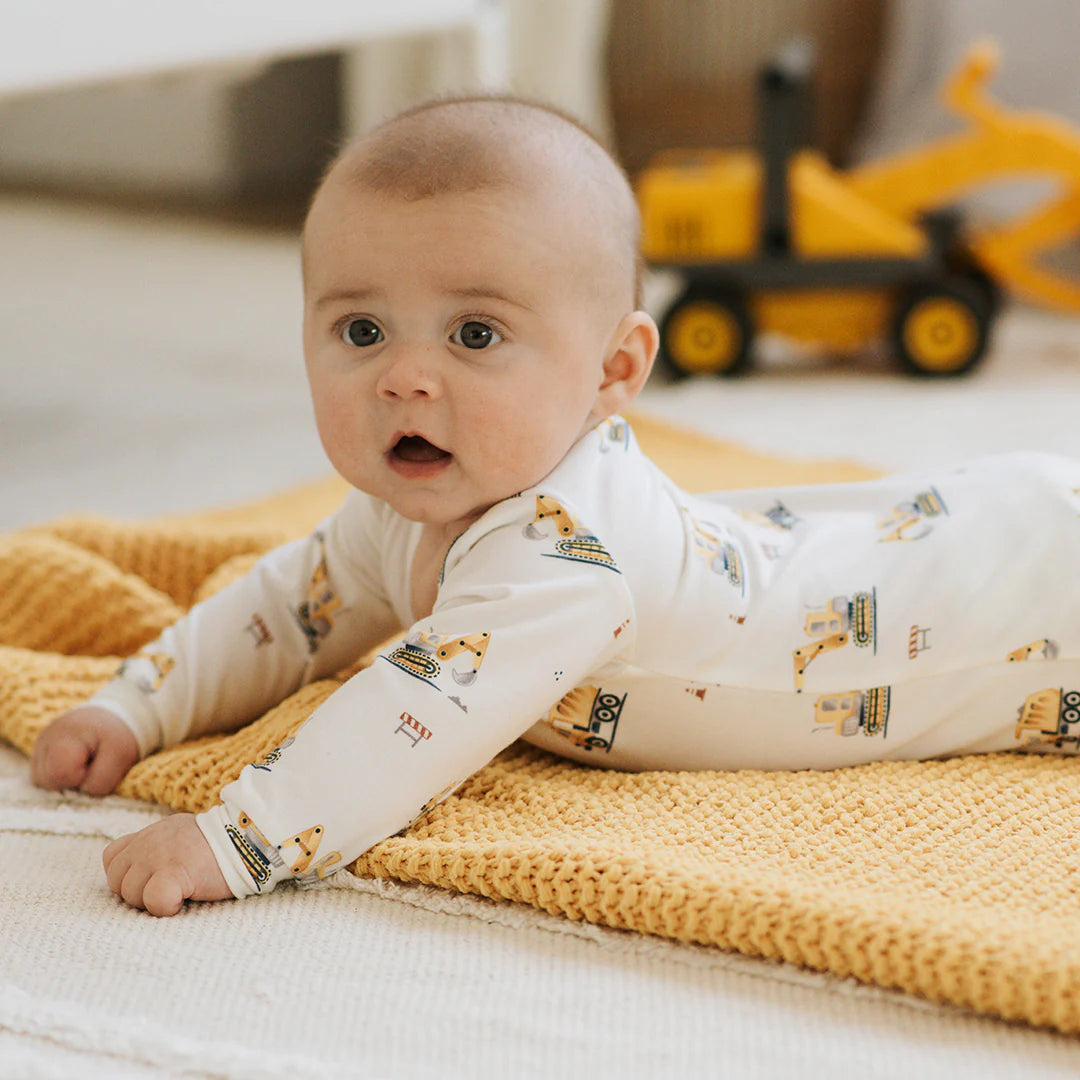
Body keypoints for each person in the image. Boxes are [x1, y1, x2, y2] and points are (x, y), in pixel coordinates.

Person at [30, 95, 1080, 918]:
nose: (405, 379)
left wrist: (235, 839)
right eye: (361, 333)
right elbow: (285, 606)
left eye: (475, 336)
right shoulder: (408, 498)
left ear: (613, 369)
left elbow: (408, 717)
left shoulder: (565, 558)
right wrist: (140, 704)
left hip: (1035, 599)